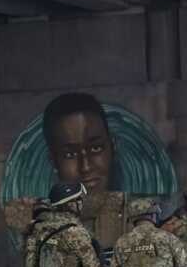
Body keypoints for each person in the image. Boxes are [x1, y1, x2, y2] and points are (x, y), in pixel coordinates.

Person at [41, 92, 125, 249]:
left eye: (95, 148)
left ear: (112, 147)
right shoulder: (41, 228)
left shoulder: (143, 217)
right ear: (53, 160)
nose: (85, 166)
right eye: (70, 154)